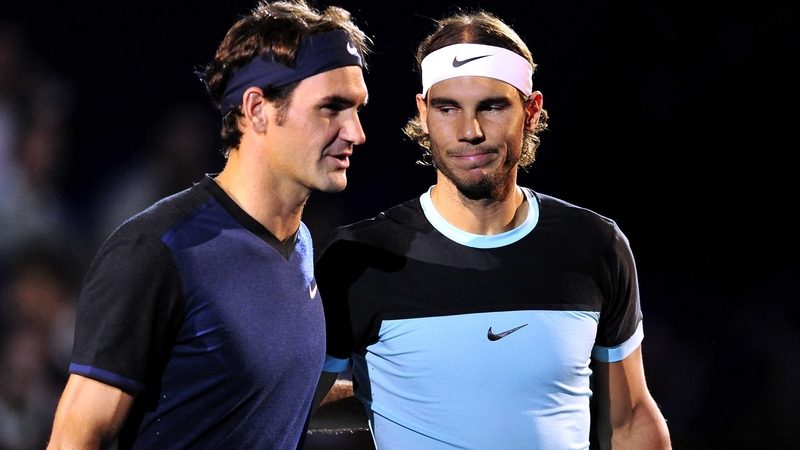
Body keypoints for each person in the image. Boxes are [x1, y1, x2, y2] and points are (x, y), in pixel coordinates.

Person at [311, 8, 671, 449]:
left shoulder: (595, 246)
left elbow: (631, 418)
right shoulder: (358, 258)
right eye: (448, 108)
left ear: (532, 111)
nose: (470, 131)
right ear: (424, 113)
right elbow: (291, 402)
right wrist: (389, 396)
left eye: (492, 106)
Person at [46, 0, 370, 448]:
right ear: (257, 110)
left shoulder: (301, 246)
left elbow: (264, 394)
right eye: (331, 108)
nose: (355, 132)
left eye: (357, 109)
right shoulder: (159, 249)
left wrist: (411, 399)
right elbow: (75, 440)